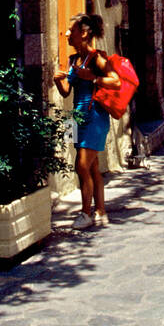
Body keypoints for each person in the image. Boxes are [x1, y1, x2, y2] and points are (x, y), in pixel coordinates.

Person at [54, 14, 120, 231]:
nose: (66, 34)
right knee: (91, 168)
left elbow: (116, 81)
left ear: (83, 33)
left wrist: (92, 77)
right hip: (76, 117)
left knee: (81, 166)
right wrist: (57, 81)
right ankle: (100, 211)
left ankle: (85, 213)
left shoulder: (97, 58)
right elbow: (66, 93)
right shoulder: (73, 60)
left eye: (70, 30)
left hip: (94, 117)